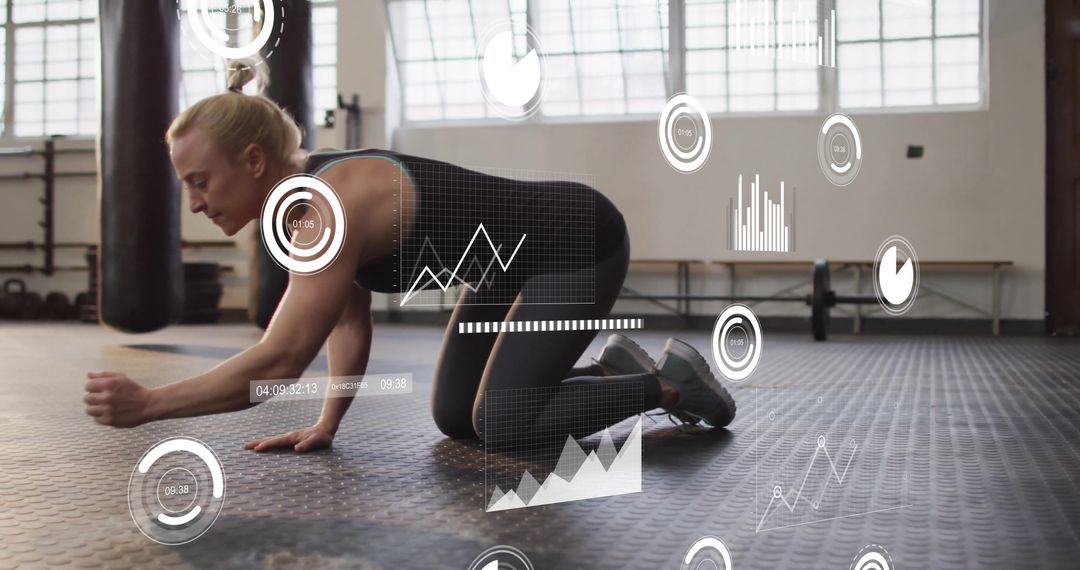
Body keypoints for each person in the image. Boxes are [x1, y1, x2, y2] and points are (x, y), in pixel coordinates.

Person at [83, 63, 736, 452]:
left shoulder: (331, 206)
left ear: (252, 162)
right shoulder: (306, 202)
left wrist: (149, 406)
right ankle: (608, 371)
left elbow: (280, 360)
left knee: (504, 423)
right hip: (512, 266)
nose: (193, 204)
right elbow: (346, 320)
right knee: (458, 420)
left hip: (576, 239)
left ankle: (672, 384)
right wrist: (327, 422)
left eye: (199, 181)